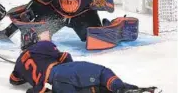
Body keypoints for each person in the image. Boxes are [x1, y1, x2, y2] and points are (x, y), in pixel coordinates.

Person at [9, 29, 158, 93]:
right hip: (60, 73)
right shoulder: (42, 45)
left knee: (96, 89)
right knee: (101, 74)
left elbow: (14, 80)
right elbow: (65, 57)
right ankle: (123, 89)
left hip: (55, 88)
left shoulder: (18, 62)